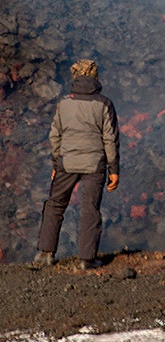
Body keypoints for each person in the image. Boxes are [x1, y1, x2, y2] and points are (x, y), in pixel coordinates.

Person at [34, 58, 120, 270]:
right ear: (95, 76)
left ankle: (46, 253)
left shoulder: (64, 103)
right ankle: (87, 259)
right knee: (90, 210)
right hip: (94, 164)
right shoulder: (104, 104)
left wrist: (56, 163)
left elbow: (55, 136)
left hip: (67, 162)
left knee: (55, 205)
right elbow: (110, 139)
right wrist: (114, 169)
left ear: (74, 76)